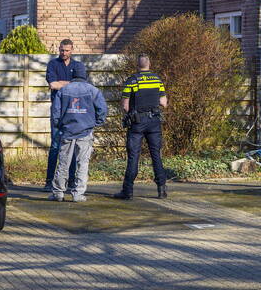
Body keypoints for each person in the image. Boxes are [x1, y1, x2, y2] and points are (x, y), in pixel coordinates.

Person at [113, 54, 168, 200]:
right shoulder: (157, 80)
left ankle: (128, 191)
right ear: (149, 64)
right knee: (156, 155)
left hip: (137, 122)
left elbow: (125, 105)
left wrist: (131, 111)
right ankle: (161, 190)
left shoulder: (132, 80)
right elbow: (164, 103)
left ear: (137, 65)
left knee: (133, 156)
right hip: (154, 121)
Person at [49, 71, 107, 202]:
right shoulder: (93, 90)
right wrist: (95, 123)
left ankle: (58, 193)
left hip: (67, 131)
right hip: (85, 131)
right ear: (85, 77)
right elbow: (102, 110)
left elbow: (55, 111)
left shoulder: (63, 90)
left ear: (73, 77)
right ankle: (78, 194)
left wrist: (60, 125)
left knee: (63, 162)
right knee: (83, 163)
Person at [45, 39, 86, 192]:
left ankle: (71, 182)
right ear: (59, 49)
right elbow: (52, 84)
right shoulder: (53, 64)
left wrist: (62, 83)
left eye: (67, 50)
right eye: (62, 50)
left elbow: (81, 85)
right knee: (55, 146)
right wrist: (71, 83)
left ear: (72, 50)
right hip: (57, 111)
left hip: (73, 111)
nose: (64, 53)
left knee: (73, 147)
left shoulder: (78, 66)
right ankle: (49, 181)